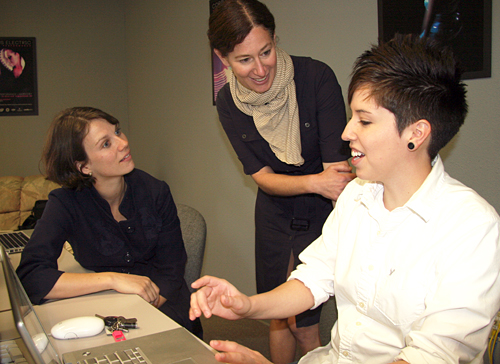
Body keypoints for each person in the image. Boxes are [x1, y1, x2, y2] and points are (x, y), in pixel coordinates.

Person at [190, 34, 500, 363]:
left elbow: (434, 355)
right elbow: (313, 278)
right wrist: (247, 305)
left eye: (364, 121)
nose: (346, 132)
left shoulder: (472, 229)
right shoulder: (356, 195)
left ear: (416, 133)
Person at [208, 1, 355, 361]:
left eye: (266, 52)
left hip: (323, 213)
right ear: (222, 57)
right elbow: (262, 177)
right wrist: (314, 182)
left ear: (275, 39)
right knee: (277, 316)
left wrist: (327, 191)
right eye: (244, 60)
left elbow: (337, 174)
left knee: (304, 324)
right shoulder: (229, 100)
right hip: (275, 215)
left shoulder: (315, 78)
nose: (260, 69)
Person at [16, 107, 201, 337]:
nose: (122, 143)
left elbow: (171, 271)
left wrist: (140, 315)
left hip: (163, 304)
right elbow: (31, 276)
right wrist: (112, 280)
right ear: (84, 166)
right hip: (105, 306)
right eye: (106, 143)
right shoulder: (65, 202)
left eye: (118, 132)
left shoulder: (155, 191)